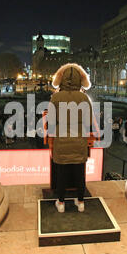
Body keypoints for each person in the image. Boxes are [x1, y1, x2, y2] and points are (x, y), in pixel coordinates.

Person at [48, 63, 92, 214]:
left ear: (61, 79)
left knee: (61, 174)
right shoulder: (84, 98)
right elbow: (88, 123)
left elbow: (51, 123)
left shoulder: (56, 97)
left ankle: (60, 203)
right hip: (79, 142)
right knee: (80, 174)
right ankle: (80, 202)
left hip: (61, 143)